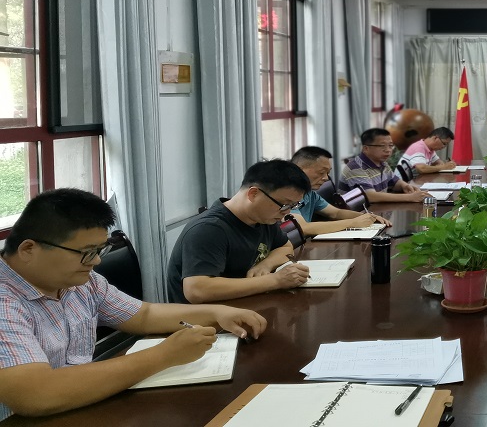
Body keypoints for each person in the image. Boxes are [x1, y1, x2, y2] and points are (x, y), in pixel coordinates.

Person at [0, 189, 267, 420]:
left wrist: (218, 312)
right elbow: (36, 394)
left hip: (82, 404)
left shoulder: (81, 282)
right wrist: (164, 355)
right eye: (86, 253)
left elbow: (144, 314)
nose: (96, 262)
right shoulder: (6, 302)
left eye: (99, 250)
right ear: (28, 249)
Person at [167, 159, 313, 304]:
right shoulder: (209, 229)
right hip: (209, 316)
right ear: (253, 194)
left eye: (293, 206)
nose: (287, 212)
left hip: (246, 305)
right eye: (284, 205)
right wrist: (275, 280)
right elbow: (197, 290)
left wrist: (265, 264)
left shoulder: (264, 218)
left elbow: (285, 247)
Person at [289, 146, 391, 237]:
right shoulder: (287, 195)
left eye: (327, 173)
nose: (326, 178)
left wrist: (368, 217)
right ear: (299, 169)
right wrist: (352, 223)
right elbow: (303, 228)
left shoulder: (310, 193)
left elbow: (335, 213)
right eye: (321, 172)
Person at [338, 128, 430, 203]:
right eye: (382, 146)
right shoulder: (355, 167)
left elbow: (394, 182)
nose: (388, 150)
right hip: (357, 215)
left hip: (376, 210)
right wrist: (410, 197)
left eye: (390, 145)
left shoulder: (382, 163)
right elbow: (370, 196)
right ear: (366, 148)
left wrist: (405, 186)